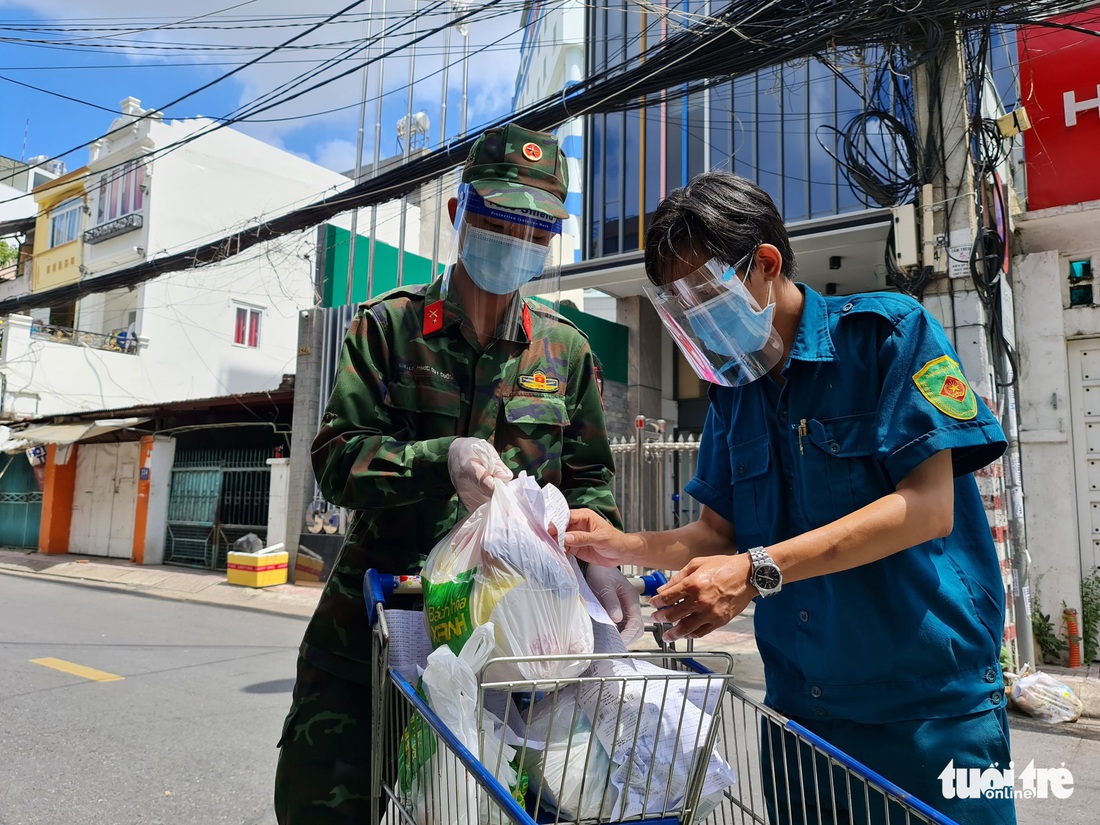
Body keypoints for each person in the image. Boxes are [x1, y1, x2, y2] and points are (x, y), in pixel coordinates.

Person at [564, 171, 1015, 825]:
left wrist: (757, 569)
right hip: (803, 717)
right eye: (683, 310)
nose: (697, 321)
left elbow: (927, 506)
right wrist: (622, 543)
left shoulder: (888, 337)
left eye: (705, 297)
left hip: (928, 716)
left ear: (765, 264)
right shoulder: (734, 395)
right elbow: (717, 534)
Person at [274, 124, 642, 824]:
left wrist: (603, 558)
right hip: (376, 637)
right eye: (502, 216)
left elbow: (590, 478)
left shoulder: (565, 350)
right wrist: (437, 460)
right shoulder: (387, 330)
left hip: (513, 660)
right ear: (458, 214)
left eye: (537, 226)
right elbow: (334, 460)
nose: (518, 236)